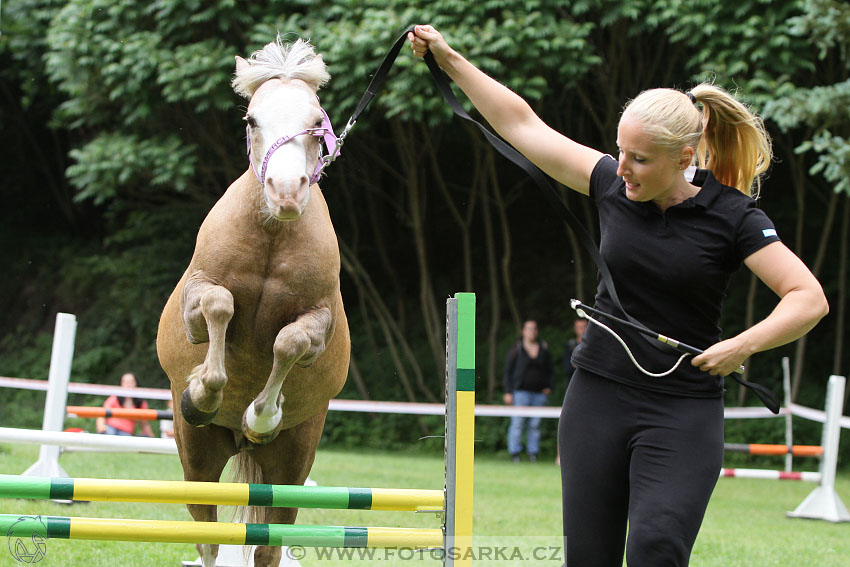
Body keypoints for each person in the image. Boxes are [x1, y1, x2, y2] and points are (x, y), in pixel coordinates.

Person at [409, 25, 828, 567]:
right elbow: (520, 123)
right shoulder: (612, 183)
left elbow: (807, 297)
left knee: (657, 548)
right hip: (598, 397)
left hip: (683, 408)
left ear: (683, 158)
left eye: (640, 159)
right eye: (619, 151)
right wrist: (449, 59)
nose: (622, 168)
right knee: (589, 558)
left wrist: (741, 347)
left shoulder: (733, 216)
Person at [503, 320, 554, 463]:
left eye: (534, 329)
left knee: (535, 425)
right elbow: (508, 371)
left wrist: (549, 386)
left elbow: (550, 370)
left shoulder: (543, 349)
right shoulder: (516, 349)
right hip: (520, 393)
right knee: (518, 423)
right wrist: (508, 391)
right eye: (529, 329)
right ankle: (515, 453)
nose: (531, 331)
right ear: (523, 331)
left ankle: (533, 453)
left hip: (539, 394)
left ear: (536, 332)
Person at [556, 317, 588, 466]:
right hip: (572, 390)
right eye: (579, 327)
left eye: (584, 327)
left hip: (591, 391)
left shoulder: (593, 345)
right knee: (567, 423)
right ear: (575, 329)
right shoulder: (569, 346)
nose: (582, 330)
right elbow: (567, 367)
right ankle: (560, 457)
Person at [95, 373, 154, 437]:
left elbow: (145, 424)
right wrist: (100, 426)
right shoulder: (115, 398)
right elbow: (102, 414)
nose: (128, 384)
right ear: (121, 384)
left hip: (126, 432)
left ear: (135, 383)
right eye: (125, 382)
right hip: (110, 429)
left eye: (131, 381)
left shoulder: (141, 403)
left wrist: (153, 438)